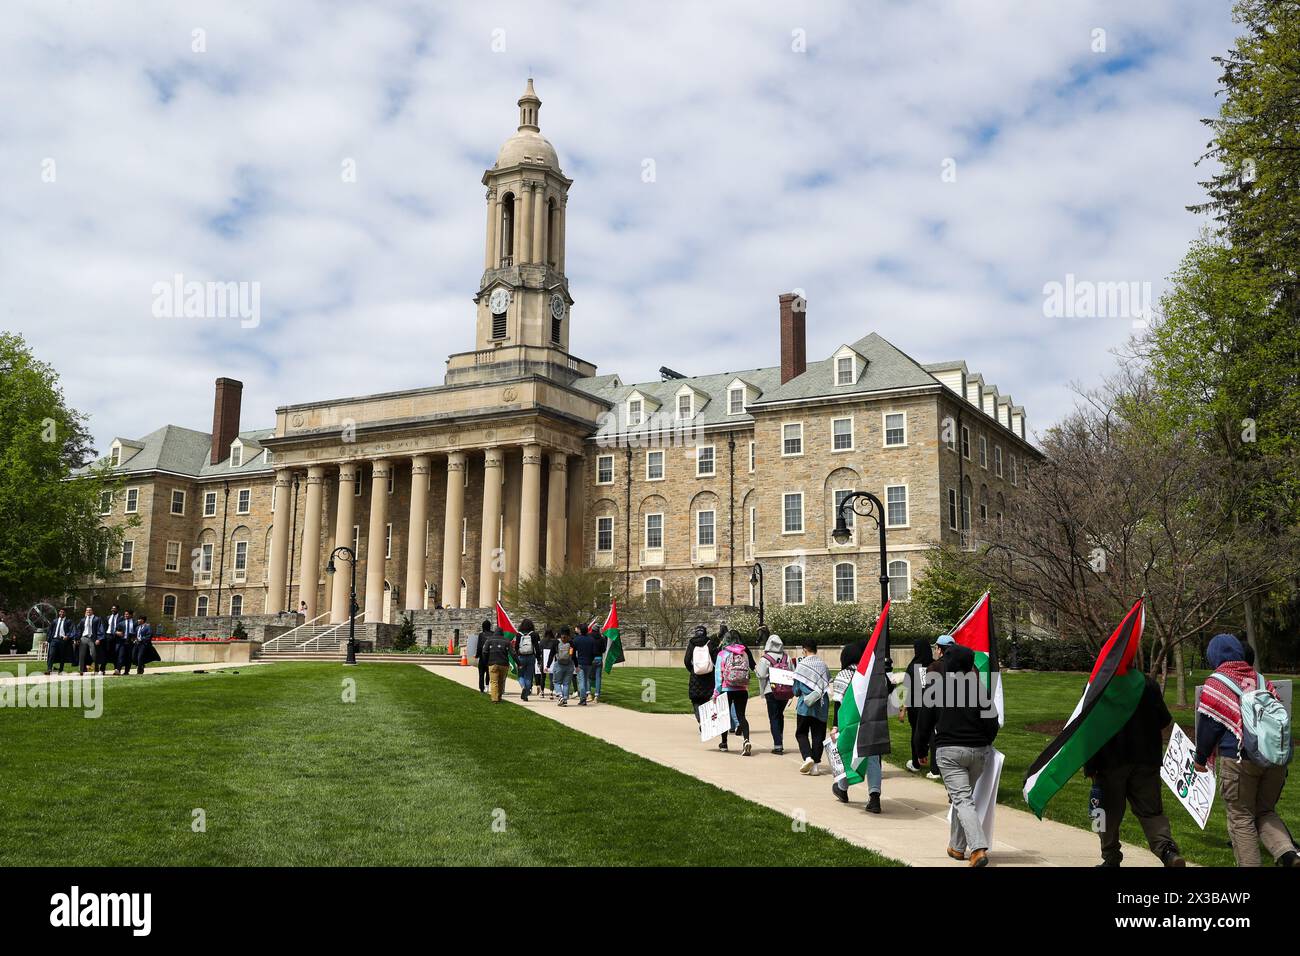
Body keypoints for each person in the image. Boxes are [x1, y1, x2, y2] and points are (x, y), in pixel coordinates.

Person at [1195, 633, 1299, 867]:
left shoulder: (1216, 683)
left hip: (1239, 759)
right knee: (1265, 812)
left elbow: (1208, 728)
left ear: (1213, 656)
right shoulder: (1261, 680)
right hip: (1273, 760)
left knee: (1241, 818)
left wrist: (1200, 759)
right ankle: (1289, 855)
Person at [1085, 672, 1185, 867]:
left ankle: (1110, 856)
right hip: (1147, 760)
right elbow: (1163, 720)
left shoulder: (1097, 686)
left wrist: (1089, 766)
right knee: (1152, 812)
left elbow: (1087, 728)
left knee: (1103, 814)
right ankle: (1168, 851)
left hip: (1109, 763)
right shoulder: (1148, 684)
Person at [933, 644, 1000, 867]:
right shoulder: (980, 690)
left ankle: (978, 849)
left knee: (961, 799)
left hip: (949, 752)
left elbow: (924, 721)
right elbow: (992, 723)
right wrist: (986, 742)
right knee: (963, 799)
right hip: (978, 753)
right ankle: (957, 847)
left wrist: (920, 748)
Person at [793, 640, 831, 774]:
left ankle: (807, 756)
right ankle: (815, 766)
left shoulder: (801, 665)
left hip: (805, 705)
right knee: (818, 735)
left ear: (804, 650)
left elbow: (796, 690)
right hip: (821, 705)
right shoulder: (823, 665)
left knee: (801, 733)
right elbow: (827, 682)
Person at [899, 638, 936, 773]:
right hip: (932, 705)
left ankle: (916, 762)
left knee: (916, 732)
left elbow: (907, 690)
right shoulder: (935, 664)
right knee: (932, 734)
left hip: (916, 707)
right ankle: (934, 767)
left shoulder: (913, 666)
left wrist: (903, 709)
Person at [715, 638, 756, 755]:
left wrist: (716, 692)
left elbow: (718, 675)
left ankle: (724, 743)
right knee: (741, 716)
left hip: (726, 688)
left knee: (724, 715)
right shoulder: (744, 653)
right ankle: (746, 740)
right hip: (742, 689)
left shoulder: (722, 654)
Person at [755, 633, 793, 754]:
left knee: (774, 717)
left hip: (771, 690)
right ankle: (779, 738)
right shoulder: (786, 657)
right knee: (779, 715)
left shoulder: (765, 659)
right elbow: (792, 672)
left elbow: (761, 675)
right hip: (786, 691)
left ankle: (778, 745)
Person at [685, 625, 718, 729]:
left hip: (696, 676)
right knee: (708, 700)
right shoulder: (709, 643)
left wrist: (693, 669)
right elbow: (716, 659)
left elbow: (686, 660)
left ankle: (701, 721)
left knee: (696, 700)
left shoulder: (692, 643)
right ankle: (707, 720)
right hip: (709, 676)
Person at [484, 625, 512, 703]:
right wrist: (519, 663)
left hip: (492, 663)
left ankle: (494, 699)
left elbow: (484, 652)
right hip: (504, 664)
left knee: (494, 681)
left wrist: (486, 661)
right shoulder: (507, 641)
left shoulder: (489, 640)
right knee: (501, 681)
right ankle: (499, 697)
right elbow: (513, 653)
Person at [572, 623, 597, 706]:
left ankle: (583, 699)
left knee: (581, 681)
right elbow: (594, 652)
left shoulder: (576, 640)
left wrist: (575, 664)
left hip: (580, 663)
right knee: (586, 680)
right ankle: (585, 696)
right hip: (589, 663)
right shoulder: (591, 640)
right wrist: (591, 660)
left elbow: (572, 654)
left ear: (580, 630)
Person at [514, 618, 538, 701]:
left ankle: (523, 687)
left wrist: (516, 657)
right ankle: (526, 693)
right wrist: (539, 658)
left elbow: (516, 647)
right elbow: (537, 648)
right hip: (531, 657)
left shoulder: (518, 634)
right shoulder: (534, 634)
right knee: (528, 676)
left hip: (521, 657)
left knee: (520, 675)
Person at [45, 608, 73, 675]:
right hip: (54, 640)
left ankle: (61, 669)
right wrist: (47, 640)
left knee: (62, 655)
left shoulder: (68, 621)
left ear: (65, 613)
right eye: (60, 612)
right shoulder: (54, 621)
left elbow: (71, 630)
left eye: (63, 612)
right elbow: (50, 631)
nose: (61, 613)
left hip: (62, 640)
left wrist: (67, 636)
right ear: (59, 613)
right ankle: (49, 669)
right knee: (51, 654)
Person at [552, 628, 576, 705]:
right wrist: (577, 665)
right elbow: (573, 655)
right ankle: (565, 699)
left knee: (557, 682)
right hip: (569, 664)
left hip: (559, 664)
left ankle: (560, 695)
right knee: (566, 683)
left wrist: (548, 664)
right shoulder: (571, 643)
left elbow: (551, 654)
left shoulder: (556, 642)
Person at [77, 606, 104, 676]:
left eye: (89, 610)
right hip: (84, 638)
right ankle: (81, 670)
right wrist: (77, 638)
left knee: (93, 654)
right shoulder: (83, 620)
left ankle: (96, 667)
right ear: (85, 612)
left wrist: (99, 638)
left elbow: (100, 629)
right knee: (81, 655)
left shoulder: (97, 619)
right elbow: (79, 629)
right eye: (87, 611)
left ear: (92, 611)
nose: (88, 612)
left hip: (92, 638)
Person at [113, 610, 137, 676]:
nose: (126, 615)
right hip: (122, 642)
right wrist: (117, 633)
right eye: (125, 614)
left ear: (131, 615)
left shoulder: (135, 623)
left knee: (129, 658)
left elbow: (138, 631)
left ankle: (126, 671)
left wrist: (134, 637)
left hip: (131, 643)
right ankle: (118, 670)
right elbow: (114, 631)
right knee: (120, 656)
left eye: (127, 614)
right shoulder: (121, 623)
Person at [537, 629, 557, 699]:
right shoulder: (555, 641)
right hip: (553, 660)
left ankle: (542, 692)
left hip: (544, 660)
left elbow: (539, 651)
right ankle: (551, 692)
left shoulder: (542, 641)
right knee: (552, 677)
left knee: (543, 677)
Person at [475, 619, 492, 694]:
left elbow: (479, 647)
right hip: (491, 657)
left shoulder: (481, 635)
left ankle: (481, 688)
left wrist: (477, 655)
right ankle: (487, 686)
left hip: (482, 657)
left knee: (481, 673)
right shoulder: (493, 634)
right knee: (489, 673)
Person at [591, 623, 607, 702]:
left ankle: (589, 693)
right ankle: (597, 695)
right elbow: (604, 650)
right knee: (598, 678)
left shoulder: (589, 637)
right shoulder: (601, 638)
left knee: (589, 677)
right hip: (599, 659)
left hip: (591, 659)